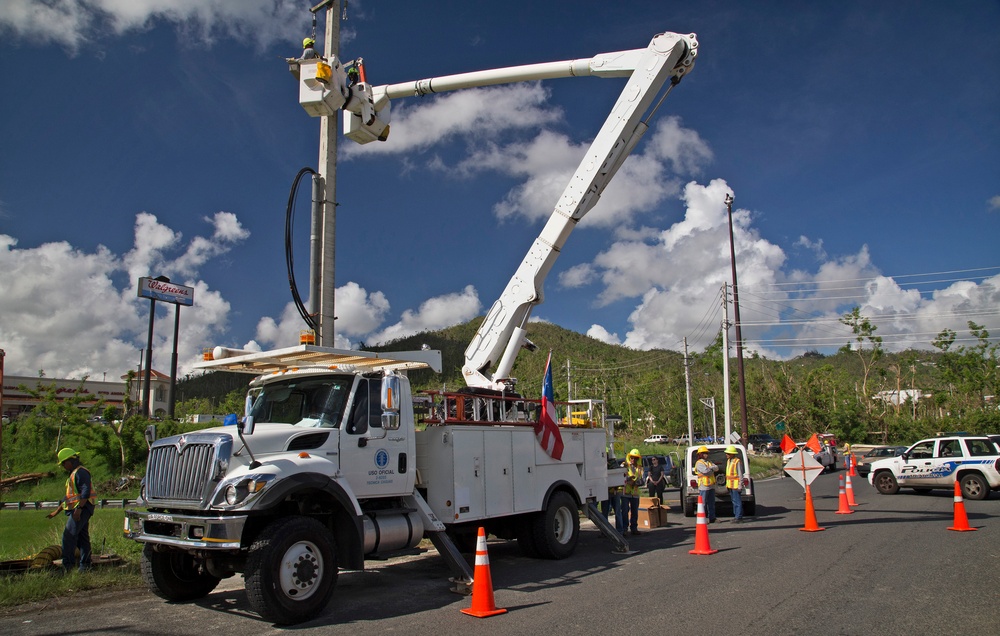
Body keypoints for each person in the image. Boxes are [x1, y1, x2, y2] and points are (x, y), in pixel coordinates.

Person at [48, 448, 96, 573]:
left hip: (81, 509)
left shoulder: (81, 472)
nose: (63, 466)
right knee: (82, 538)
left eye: (64, 463)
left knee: (68, 537)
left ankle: (67, 566)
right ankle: (85, 566)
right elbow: (68, 498)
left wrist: (79, 509)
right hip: (81, 508)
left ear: (71, 461)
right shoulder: (74, 474)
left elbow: (85, 492)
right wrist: (56, 512)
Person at [693, 445, 719, 523]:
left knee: (711, 503)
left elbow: (717, 468)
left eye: (706, 453)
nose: (706, 455)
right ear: (700, 454)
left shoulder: (709, 462)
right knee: (703, 504)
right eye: (704, 453)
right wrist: (711, 469)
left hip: (711, 485)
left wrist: (711, 469)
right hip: (703, 486)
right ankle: (702, 519)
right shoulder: (699, 463)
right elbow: (705, 472)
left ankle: (712, 518)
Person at [622, 449, 643, 535]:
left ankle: (634, 528)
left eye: (635, 458)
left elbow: (643, 480)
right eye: (632, 458)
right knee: (624, 511)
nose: (633, 460)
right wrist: (628, 480)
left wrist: (635, 483)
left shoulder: (640, 469)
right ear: (629, 457)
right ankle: (624, 529)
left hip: (635, 494)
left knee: (635, 512)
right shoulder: (625, 466)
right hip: (626, 493)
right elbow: (620, 477)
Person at [724, 446, 744, 523]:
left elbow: (740, 474)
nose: (726, 454)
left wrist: (740, 485)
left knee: (737, 501)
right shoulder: (729, 461)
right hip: (730, 485)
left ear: (732, 454)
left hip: (735, 485)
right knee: (734, 501)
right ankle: (736, 516)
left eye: (728, 453)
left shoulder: (737, 461)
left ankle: (738, 517)